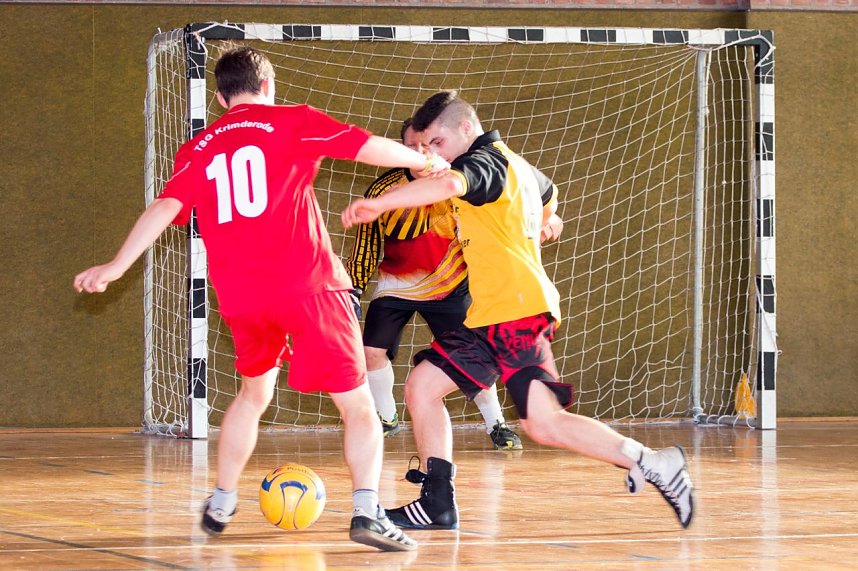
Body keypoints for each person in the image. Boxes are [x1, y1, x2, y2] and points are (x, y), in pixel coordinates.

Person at [74, 47, 452, 551]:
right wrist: (423, 159)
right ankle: (366, 510)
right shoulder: (291, 120)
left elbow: (165, 205)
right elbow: (367, 147)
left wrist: (117, 265)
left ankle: (222, 500)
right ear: (268, 86)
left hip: (242, 297)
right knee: (358, 406)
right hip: (309, 284)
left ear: (219, 97)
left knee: (254, 395)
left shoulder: (199, 146)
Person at [341, 91, 695, 531]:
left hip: (518, 312)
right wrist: (545, 221)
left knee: (543, 424)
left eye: (437, 143)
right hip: (489, 315)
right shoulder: (515, 164)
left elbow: (450, 185)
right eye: (426, 146)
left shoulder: (484, 162)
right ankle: (437, 502)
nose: (432, 154)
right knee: (422, 387)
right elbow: (549, 194)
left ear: (466, 130)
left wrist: (379, 203)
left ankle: (652, 461)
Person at [345, 117, 524, 450]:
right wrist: (353, 287)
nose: (419, 152)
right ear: (400, 150)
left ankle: (496, 424)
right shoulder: (382, 189)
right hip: (396, 285)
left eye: (426, 146)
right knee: (370, 351)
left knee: (472, 358)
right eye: (411, 147)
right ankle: (386, 418)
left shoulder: (458, 182)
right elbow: (366, 246)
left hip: (449, 286)